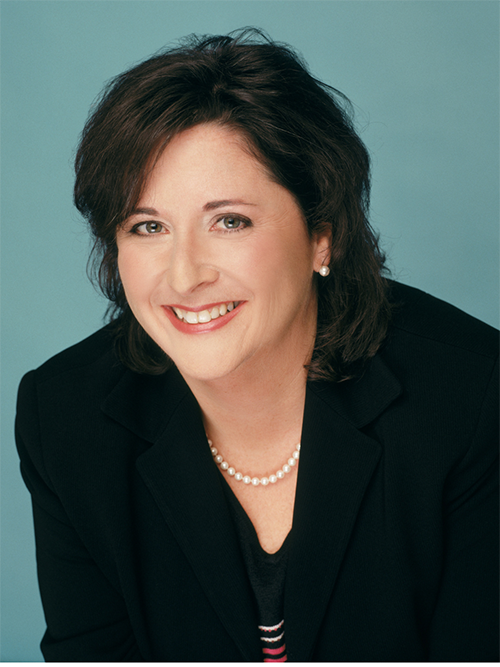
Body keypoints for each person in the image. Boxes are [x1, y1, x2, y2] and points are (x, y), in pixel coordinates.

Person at [15, 29, 500, 661]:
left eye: (230, 221)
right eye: (148, 226)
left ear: (322, 235)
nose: (185, 276)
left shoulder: (473, 400)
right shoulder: (64, 418)